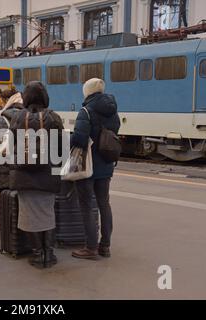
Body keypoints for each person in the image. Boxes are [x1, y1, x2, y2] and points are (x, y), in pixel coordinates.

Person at [9, 81, 64, 269]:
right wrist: (57, 175)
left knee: (29, 215)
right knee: (47, 214)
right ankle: (49, 254)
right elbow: (61, 151)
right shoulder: (54, 118)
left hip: (24, 175)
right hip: (48, 174)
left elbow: (10, 148)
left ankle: (37, 254)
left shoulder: (17, 118)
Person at [70, 78, 120, 260]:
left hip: (88, 165)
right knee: (104, 204)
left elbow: (79, 140)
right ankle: (105, 246)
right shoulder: (113, 111)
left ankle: (90, 247)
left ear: (87, 92)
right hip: (106, 164)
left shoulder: (86, 111)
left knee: (86, 206)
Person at [0, 86, 23, 191]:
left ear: (6, 101)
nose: (1, 105)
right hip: (22, 168)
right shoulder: (28, 117)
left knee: (5, 201)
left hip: (4, 168)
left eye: (2, 102)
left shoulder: (0, 120)